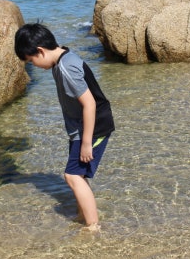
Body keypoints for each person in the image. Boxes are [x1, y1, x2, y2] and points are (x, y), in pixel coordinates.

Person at [14, 23, 115, 232]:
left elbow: (90, 103)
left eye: (31, 60)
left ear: (40, 51)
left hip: (93, 127)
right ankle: (83, 216)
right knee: (78, 175)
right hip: (80, 128)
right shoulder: (62, 58)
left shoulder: (66, 67)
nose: (34, 65)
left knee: (72, 176)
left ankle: (93, 226)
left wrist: (86, 142)